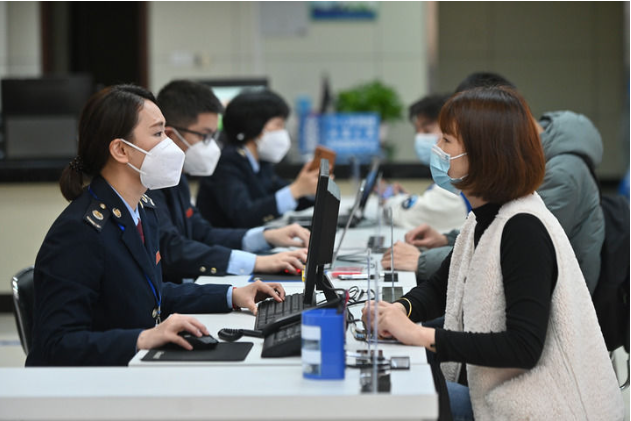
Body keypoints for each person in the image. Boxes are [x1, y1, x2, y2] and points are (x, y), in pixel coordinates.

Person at [363, 86, 623, 419]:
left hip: (543, 408)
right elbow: (440, 288)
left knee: (401, 402)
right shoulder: (482, 218)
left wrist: (418, 334)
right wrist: (398, 310)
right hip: (505, 394)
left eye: (446, 140)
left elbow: (523, 347)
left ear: (483, 154)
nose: (437, 149)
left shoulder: (523, 227)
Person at [26, 85, 287, 366]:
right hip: (92, 382)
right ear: (121, 150)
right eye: (158, 133)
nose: (169, 144)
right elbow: (56, 345)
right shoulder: (79, 231)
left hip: (129, 367)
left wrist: (231, 295)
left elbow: (150, 293)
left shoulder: (143, 209)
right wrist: (143, 339)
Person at [386, 72, 605, 294]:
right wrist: (447, 239)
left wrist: (422, 261)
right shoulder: (525, 161)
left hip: (557, 297)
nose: (439, 147)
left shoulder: (561, 174)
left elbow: (511, 252)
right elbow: (494, 230)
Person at [153, 80, 309, 282]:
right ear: (170, 135)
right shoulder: (151, 183)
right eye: (205, 136)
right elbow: (172, 249)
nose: (213, 145)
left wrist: (267, 236)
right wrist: (255, 262)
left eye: (214, 135)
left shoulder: (177, 177)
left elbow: (202, 233)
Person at [196, 89, 317, 228]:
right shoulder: (226, 163)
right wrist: (296, 190)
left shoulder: (261, 163)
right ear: (254, 126)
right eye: (278, 125)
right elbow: (244, 215)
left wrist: (309, 190)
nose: (283, 132)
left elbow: (282, 195)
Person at [382, 93, 469, 234]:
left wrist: (390, 199)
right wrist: (407, 199)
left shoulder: (459, 189)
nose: (420, 138)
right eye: (417, 132)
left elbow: (409, 214)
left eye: (446, 139)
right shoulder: (451, 182)